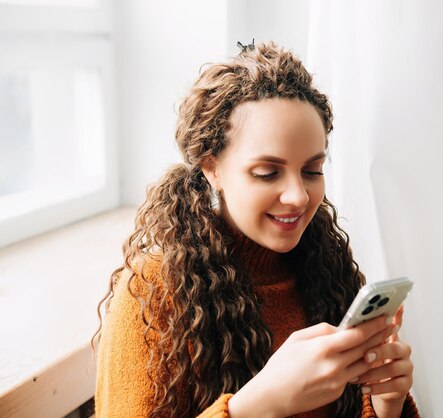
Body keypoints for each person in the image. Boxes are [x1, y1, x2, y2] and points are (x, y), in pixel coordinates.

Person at [93, 41, 420, 418]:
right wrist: (255, 405)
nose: (298, 196)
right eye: (267, 173)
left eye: (312, 170)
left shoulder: (327, 272)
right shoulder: (154, 293)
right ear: (211, 168)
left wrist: (385, 406)